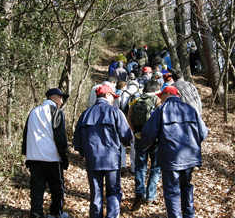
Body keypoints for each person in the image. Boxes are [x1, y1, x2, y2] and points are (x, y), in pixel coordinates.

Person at [139, 86, 208, 218]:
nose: (160, 99)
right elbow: (203, 133)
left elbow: (148, 134)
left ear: (166, 95)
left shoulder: (161, 110)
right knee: (186, 187)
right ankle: (189, 215)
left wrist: (144, 147)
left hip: (171, 158)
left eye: (161, 96)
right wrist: (192, 144)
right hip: (189, 158)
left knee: (172, 192)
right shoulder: (191, 109)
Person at [73, 84, 134, 218]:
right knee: (113, 192)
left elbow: (77, 142)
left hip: (93, 161)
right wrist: (124, 144)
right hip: (111, 161)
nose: (114, 99)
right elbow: (126, 136)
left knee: (96, 193)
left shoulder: (85, 114)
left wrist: (85, 154)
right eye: (113, 96)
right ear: (107, 95)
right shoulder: (115, 112)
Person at [22, 88, 70, 218]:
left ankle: (36, 213)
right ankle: (56, 213)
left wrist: (26, 153)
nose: (62, 100)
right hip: (52, 157)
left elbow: (26, 134)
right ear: (54, 97)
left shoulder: (33, 112)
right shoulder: (57, 112)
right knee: (57, 188)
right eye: (61, 97)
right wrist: (64, 157)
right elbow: (60, 137)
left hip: (34, 157)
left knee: (37, 188)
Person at [127, 80, 162, 210]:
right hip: (155, 140)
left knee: (140, 167)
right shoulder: (157, 101)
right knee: (155, 167)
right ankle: (150, 196)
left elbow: (129, 117)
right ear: (156, 90)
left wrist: (136, 132)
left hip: (139, 138)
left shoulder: (135, 100)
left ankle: (139, 194)